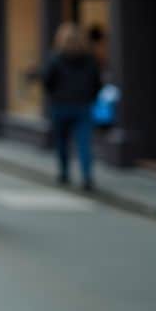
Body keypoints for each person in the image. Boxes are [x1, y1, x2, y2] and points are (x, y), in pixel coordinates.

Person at [42, 23, 103, 191]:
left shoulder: (56, 57)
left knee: (62, 141)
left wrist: (55, 95)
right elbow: (97, 82)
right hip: (83, 105)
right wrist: (90, 97)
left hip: (61, 105)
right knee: (84, 142)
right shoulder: (90, 58)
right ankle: (87, 176)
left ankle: (64, 173)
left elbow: (47, 81)